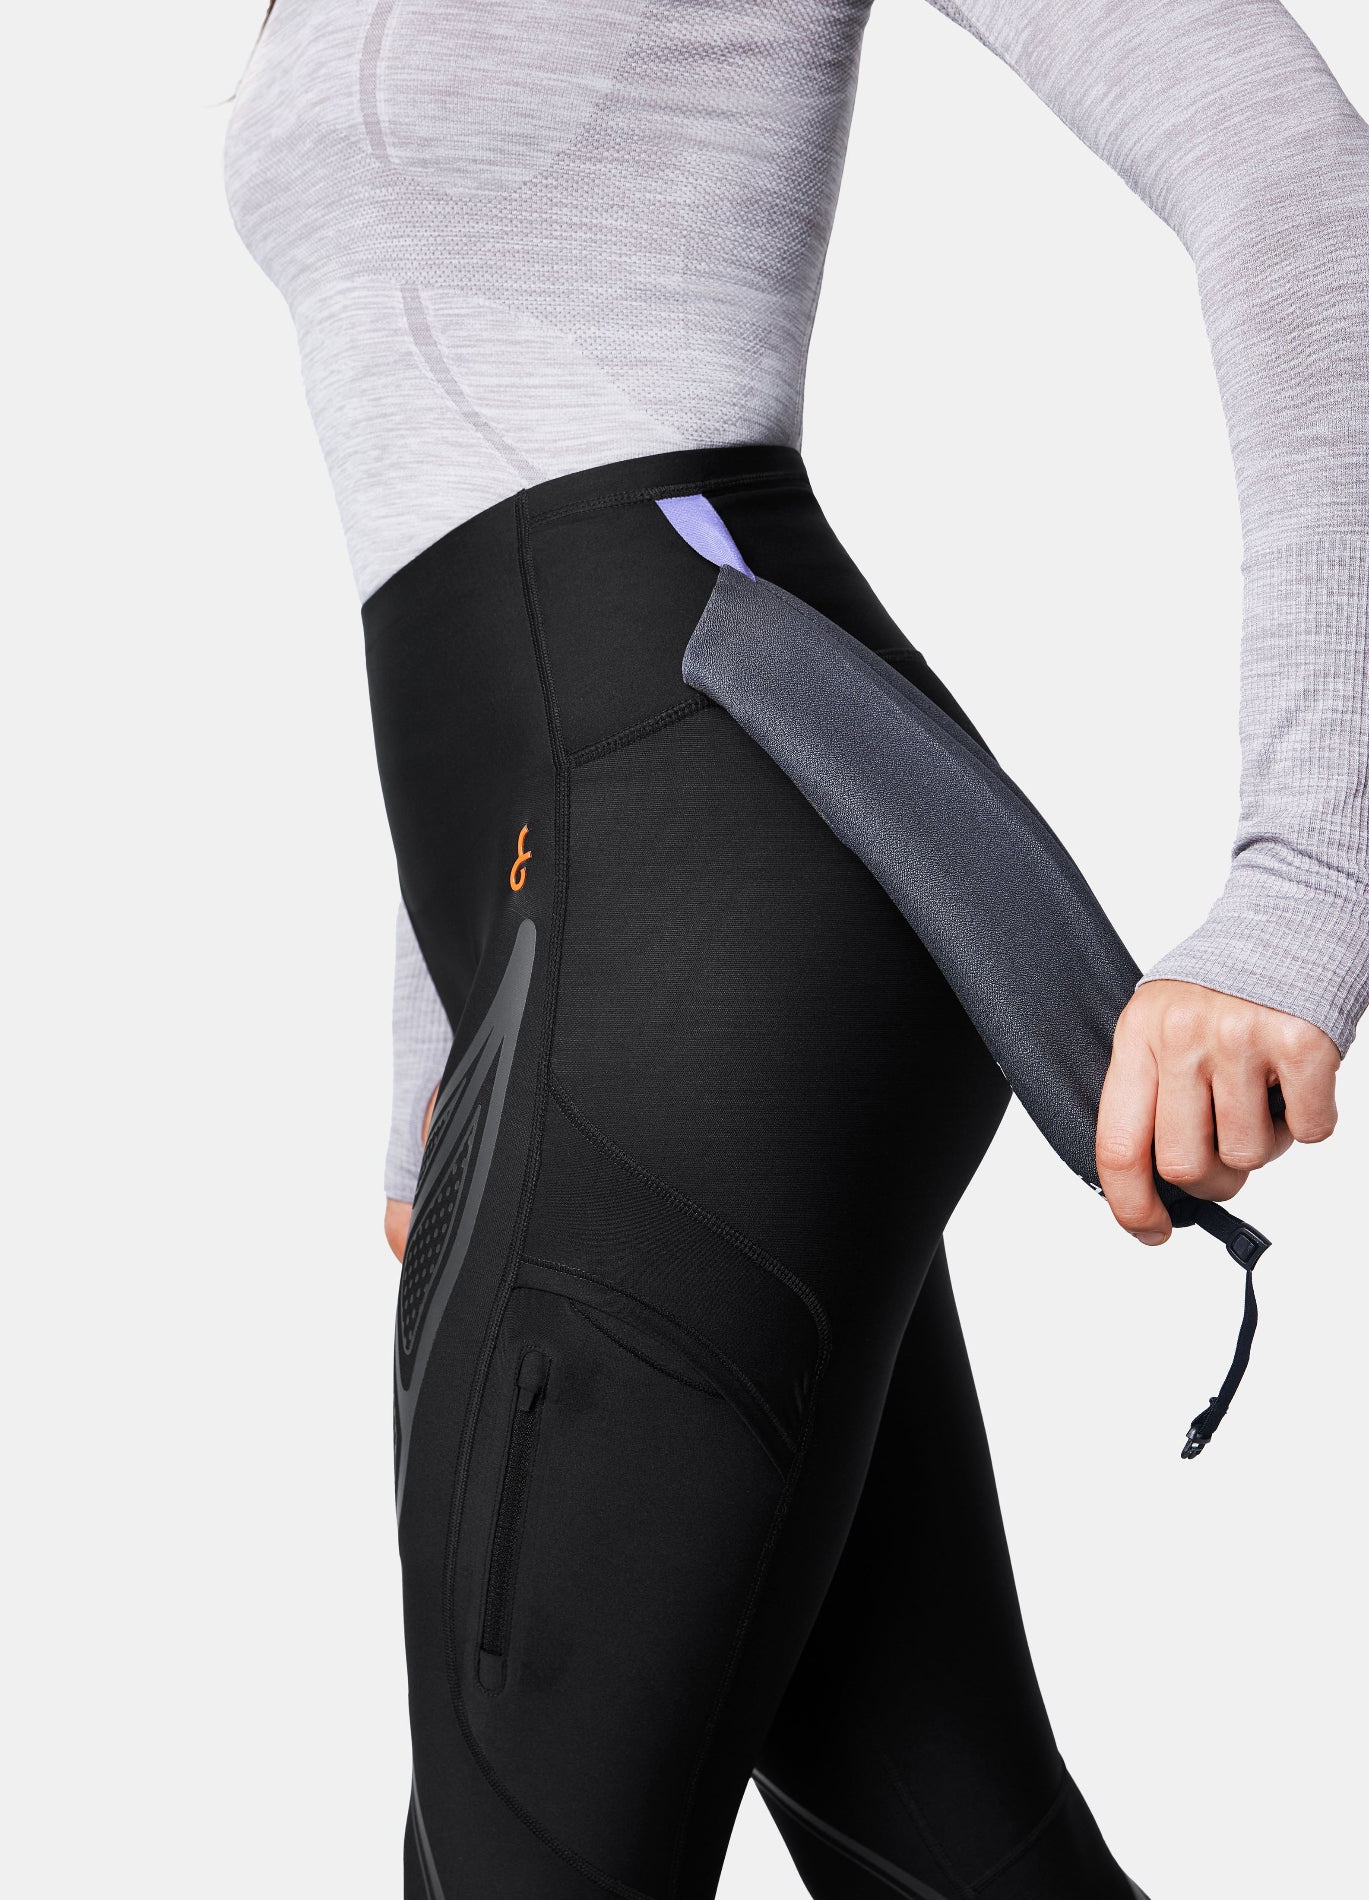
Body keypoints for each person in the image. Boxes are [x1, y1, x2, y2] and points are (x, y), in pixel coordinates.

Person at [224, 4, 1366, 1894]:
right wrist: (448, 1036)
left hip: (712, 875)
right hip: (574, 919)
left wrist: (1303, 884)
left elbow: (1290, 165)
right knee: (947, 1843)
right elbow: (447, 440)